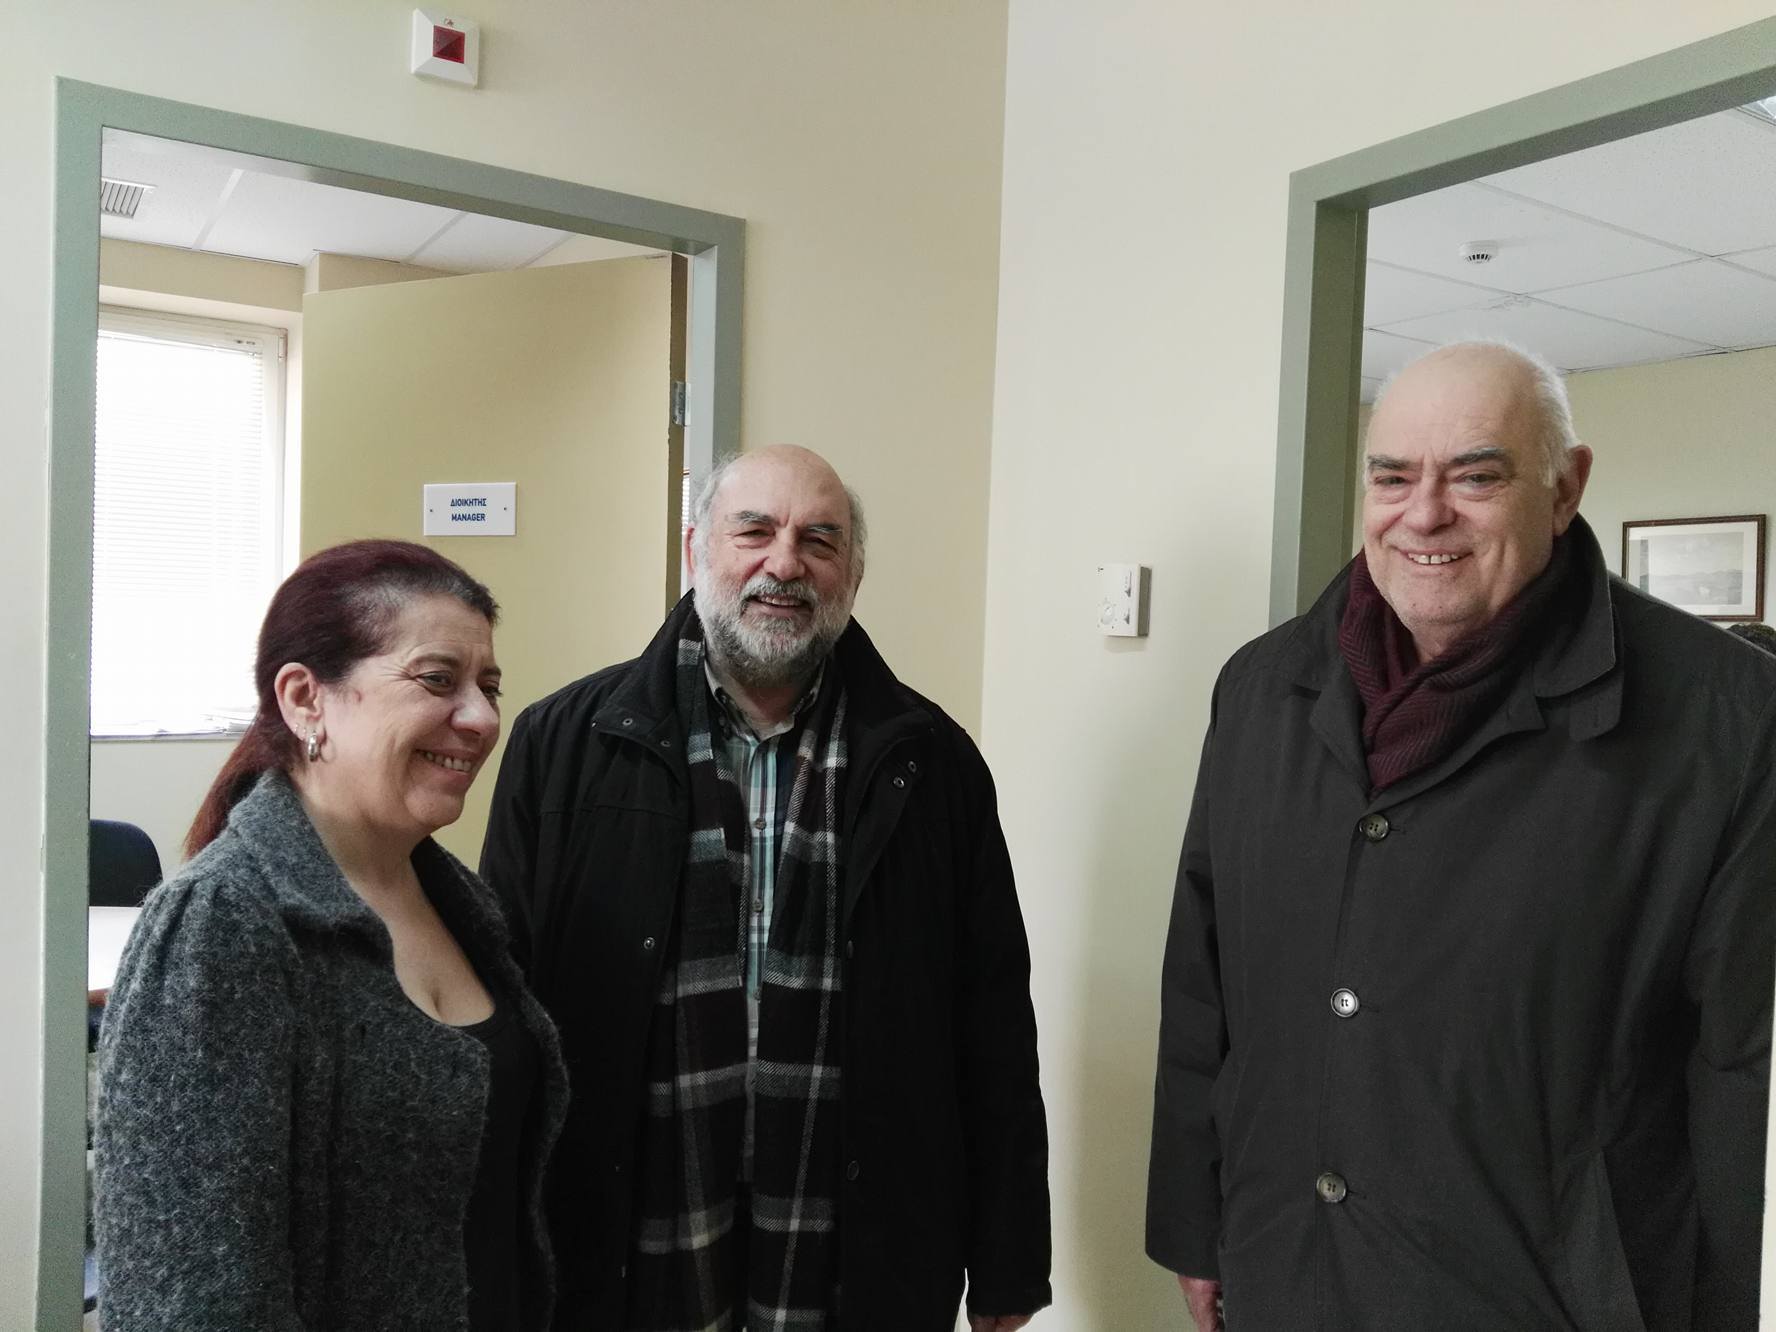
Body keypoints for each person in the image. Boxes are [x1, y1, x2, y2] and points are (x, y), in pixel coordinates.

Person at [1146, 342, 1776, 1330]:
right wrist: (1194, 1223)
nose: (1425, 513)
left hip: (1547, 1295)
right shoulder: (1262, 689)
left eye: (1476, 477)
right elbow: (1204, 976)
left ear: (1566, 488)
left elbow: (1737, 1065)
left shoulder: (1725, 716)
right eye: (1393, 477)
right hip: (1284, 1264)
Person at [480, 445, 1051, 1332]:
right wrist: (493, 1245)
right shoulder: (560, 746)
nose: (785, 563)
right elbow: (505, 1013)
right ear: (695, 550)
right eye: (754, 531)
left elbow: (993, 1024)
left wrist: (1009, 1266)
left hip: (861, 1241)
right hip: (628, 1236)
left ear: (852, 576)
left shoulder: (933, 763)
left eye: (819, 541)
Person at [95, 540, 569, 1332]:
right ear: (304, 699)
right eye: (437, 679)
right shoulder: (224, 924)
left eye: (489, 686)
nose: (484, 718)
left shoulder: (463, 905)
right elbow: (188, 1297)